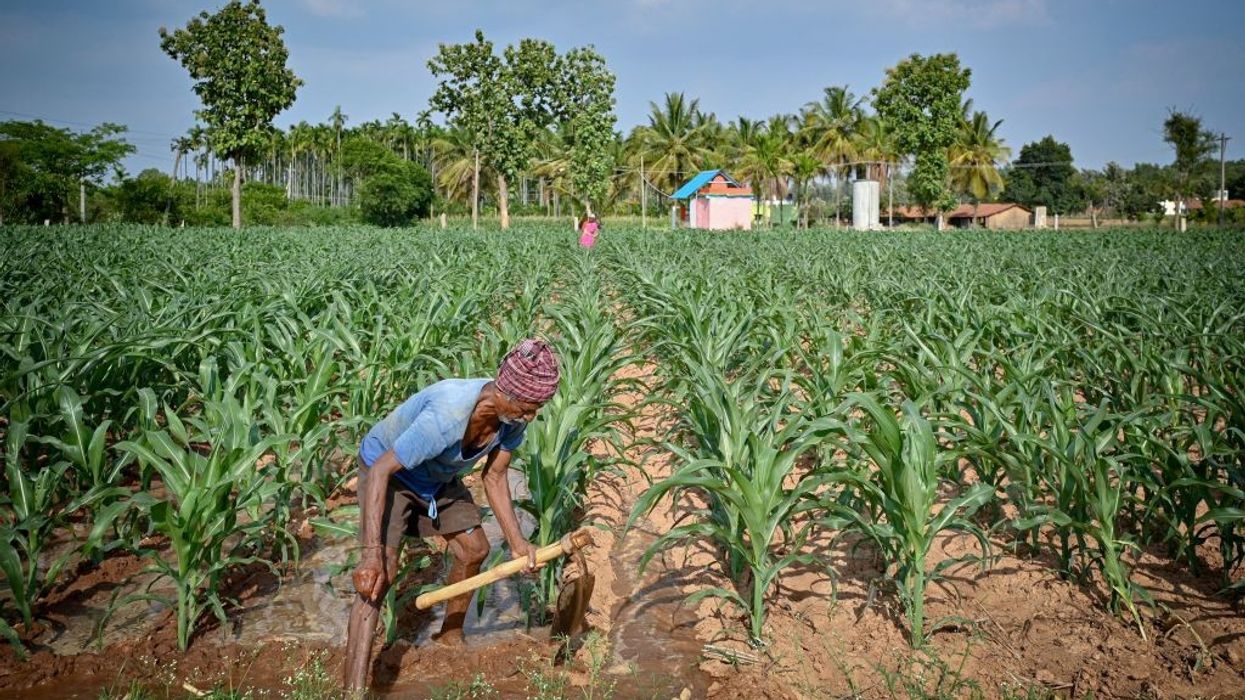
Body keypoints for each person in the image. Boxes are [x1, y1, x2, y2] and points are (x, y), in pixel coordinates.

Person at [343, 339, 561, 691]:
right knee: (378, 575)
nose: (532, 416)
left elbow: (495, 476)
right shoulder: (445, 417)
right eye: (530, 406)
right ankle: (353, 689)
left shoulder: (511, 420)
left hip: (436, 476)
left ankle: (449, 636)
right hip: (390, 472)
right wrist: (369, 556)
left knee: (474, 549)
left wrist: (518, 543)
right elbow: (382, 470)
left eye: (538, 407)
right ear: (506, 393)